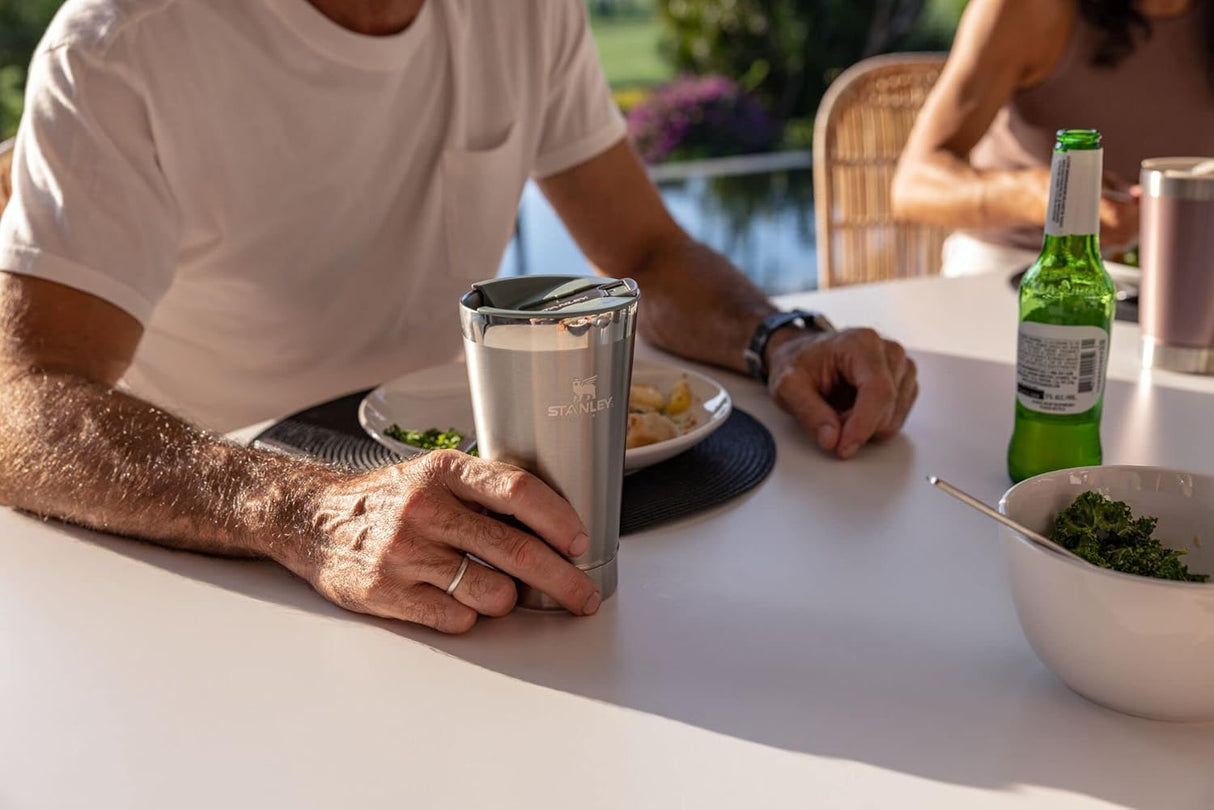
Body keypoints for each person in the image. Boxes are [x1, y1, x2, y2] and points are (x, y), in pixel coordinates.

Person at [0, 0, 918, 633]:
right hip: (214, 562)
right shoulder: (124, 45)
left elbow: (645, 253)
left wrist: (783, 338)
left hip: (447, 540)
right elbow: (20, 396)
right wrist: (302, 511)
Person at [892, 0, 1214, 277]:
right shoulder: (1030, 9)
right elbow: (914, 185)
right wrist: (1051, 195)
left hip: (1182, 282)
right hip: (1017, 272)